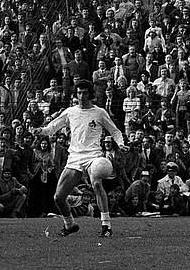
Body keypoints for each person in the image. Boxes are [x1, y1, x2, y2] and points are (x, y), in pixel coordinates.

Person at [34, 79, 127, 237]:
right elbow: (52, 128)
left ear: (90, 94)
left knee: (97, 183)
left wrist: (121, 143)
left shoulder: (99, 112)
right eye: (79, 93)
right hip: (74, 157)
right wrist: (40, 131)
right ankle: (70, 224)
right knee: (58, 197)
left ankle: (106, 225)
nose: (82, 96)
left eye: (85, 93)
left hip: (93, 156)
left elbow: (115, 131)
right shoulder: (71, 112)